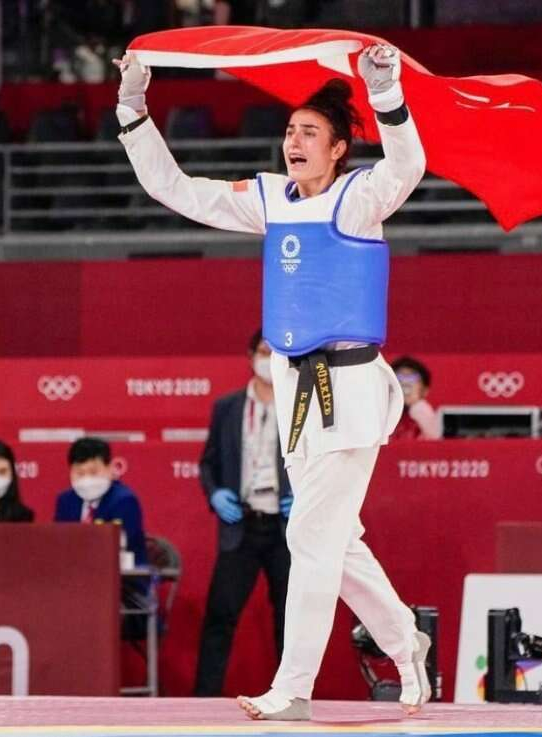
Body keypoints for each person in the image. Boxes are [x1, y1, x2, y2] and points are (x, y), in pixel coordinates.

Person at [114, 42, 429, 720]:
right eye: (289, 130)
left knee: (309, 538)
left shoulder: (359, 197)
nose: (294, 141)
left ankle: (294, 688)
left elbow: (409, 165)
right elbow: (174, 188)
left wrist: (386, 95)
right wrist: (132, 108)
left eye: (309, 133)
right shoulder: (268, 199)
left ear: (338, 149)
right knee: (336, 540)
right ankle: (407, 642)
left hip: (350, 387)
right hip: (294, 390)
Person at [195, 329, 292, 697]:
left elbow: (319, 462)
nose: (269, 360)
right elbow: (208, 463)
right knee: (220, 615)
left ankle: (290, 695)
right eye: (264, 352)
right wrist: (215, 493)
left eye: (277, 353)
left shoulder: (300, 405)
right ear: (250, 356)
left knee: (290, 620)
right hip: (241, 525)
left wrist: (302, 496)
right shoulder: (228, 407)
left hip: (285, 527)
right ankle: (204, 700)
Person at [54, 436, 147, 567]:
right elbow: (59, 543)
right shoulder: (65, 501)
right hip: (74, 572)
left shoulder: (124, 501)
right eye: (80, 473)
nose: (87, 479)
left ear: (109, 469)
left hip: (122, 573)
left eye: (93, 472)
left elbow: (124, 545)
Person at [390, 355, 440, 440]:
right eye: (399, 377)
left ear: (425, 390)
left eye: (412, 377)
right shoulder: (380, 413)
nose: (405, 383)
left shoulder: (422, 410)